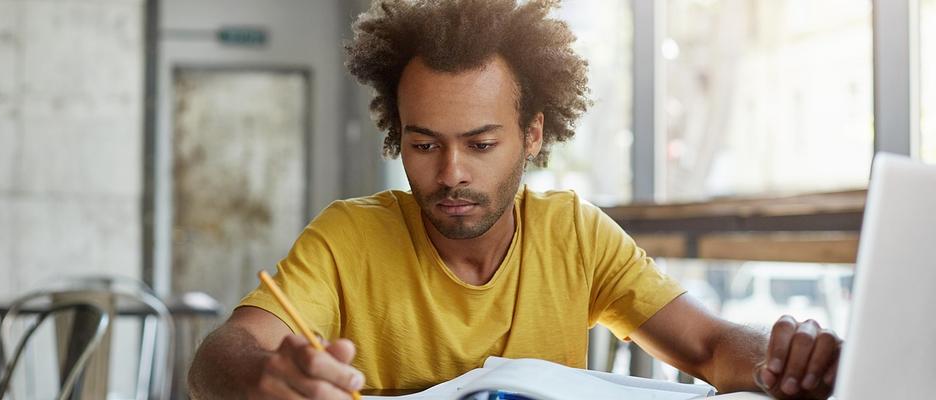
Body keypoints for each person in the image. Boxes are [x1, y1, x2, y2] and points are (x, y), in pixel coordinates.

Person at [187, 1, 842, 399]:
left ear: (532, 134)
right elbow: (219, 357)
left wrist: (783, 360)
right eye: (424, 144)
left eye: (480, 144)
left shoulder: (575, 235)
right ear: (398, 135)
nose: (451, 174)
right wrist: (261, 378)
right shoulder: (348, 238)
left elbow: (709, 347)